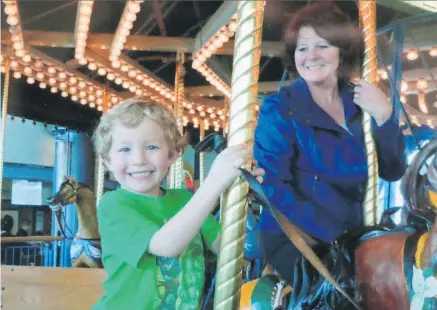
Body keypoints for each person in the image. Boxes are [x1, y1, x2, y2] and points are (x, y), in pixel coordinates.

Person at [253, 1, 407, 285]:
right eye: (302, 48)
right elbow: (271, 185)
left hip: (354, 234)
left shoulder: (361, 102)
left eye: (322, 45)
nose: (311, 55)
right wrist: (339, 236)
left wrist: (384, 116)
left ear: (341, 51)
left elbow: (392, 169)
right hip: (297, 235)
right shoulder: (281, 108)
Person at [91, 98, 264, 310]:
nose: (139, 159)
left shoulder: (184, 199)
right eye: (125, 150)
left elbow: (226, 246)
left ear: (172, 154)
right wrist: (214, 183)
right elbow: (165, 246)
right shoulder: (114, 205)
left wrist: (241, 195)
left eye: (152, 147)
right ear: (107, 160)